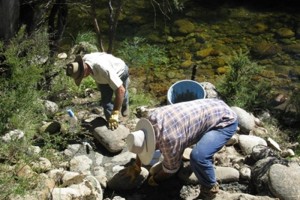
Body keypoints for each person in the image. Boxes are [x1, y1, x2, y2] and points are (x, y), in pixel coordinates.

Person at [125, 98, 238, 199]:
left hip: (224, 121)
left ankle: (210, 188)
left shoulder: (168, 140)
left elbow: (170, 170)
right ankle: (197, 155)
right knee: (185, 145)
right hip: (213, 104)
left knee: (198, 157)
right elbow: (141, 142)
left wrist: (155, 179)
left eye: (148, 151)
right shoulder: (151, 119)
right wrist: (136, 165)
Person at [66, 52, 130, 130]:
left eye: (82, 77)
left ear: (85, 71)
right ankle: (112, 123)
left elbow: (120, 90)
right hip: (103, 78)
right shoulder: (84, 61)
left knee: (123, 92)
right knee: (106, 102)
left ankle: (124, 104)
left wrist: (115, 112)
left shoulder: (104, 69)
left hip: (120, 70)